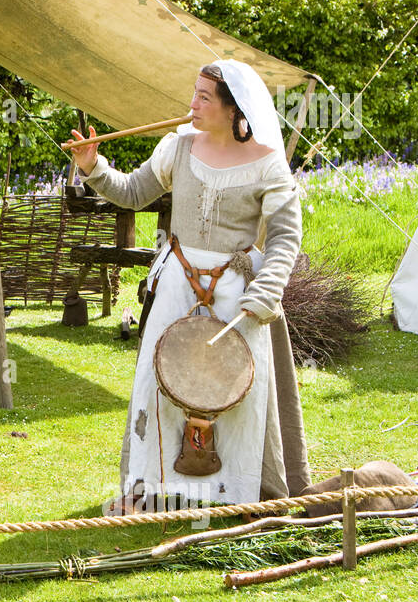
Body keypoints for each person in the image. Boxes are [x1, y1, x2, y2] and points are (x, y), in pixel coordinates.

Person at [69, 60, 311, 513]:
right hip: (178, 284)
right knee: (162, 385)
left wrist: (267, 291)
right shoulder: (176, 148)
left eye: (204, 97)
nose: (192, 104)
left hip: (237, 292)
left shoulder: (268, 164)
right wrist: (94, 167)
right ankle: (156, 489)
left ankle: (231, 497)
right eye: (193, 93)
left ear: (233, 109)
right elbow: (134, 192)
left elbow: (284, 237)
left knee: (234, 392)